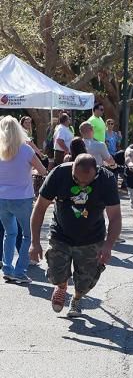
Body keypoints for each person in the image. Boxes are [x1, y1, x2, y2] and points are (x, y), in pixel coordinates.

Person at [29, 154, 122, 317]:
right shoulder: (59, 174)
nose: (82, 184)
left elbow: (115, 216)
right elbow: (40, 207)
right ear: (72, 169)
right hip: (60, 234)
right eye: (77, 180)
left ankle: (77, 299)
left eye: (87, 182)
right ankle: (62, 286)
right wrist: (34, 242)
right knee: (56, 275)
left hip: (92, 237)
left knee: (84, 283)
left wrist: (108, 245)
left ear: (96, 173)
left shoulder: (106, 179)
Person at [0, 116, 47, 283]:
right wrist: (29, 171)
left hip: (2, 198)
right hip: (22, 198)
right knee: (28, 235)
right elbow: (42, 171)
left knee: (9, 233)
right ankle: (20, 271)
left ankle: (7, 268)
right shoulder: (26, 150)